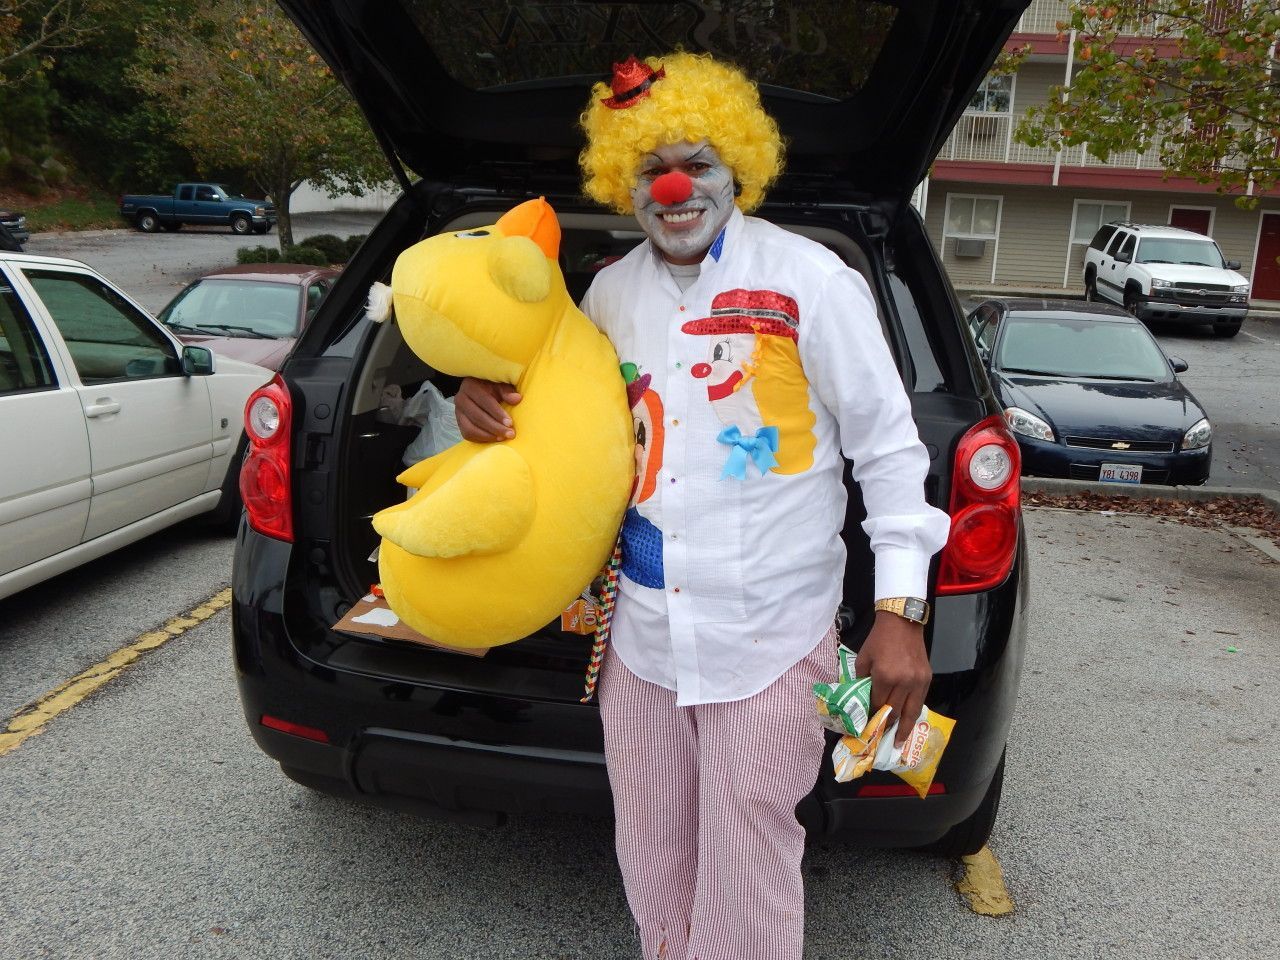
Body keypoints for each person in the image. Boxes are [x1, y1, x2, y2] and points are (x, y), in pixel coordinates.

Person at [454, 52, 951, 960]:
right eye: (649, 169)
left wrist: (901, 613)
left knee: (750, 858)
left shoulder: (813, 283)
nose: (674, 187)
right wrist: (483, 395)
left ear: (739, 171)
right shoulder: (607, 295)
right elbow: (562, 426)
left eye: (698, 164)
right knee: (649, 854)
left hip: (769, 639)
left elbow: (889, 452)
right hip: (641, 642)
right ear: (623, 183)